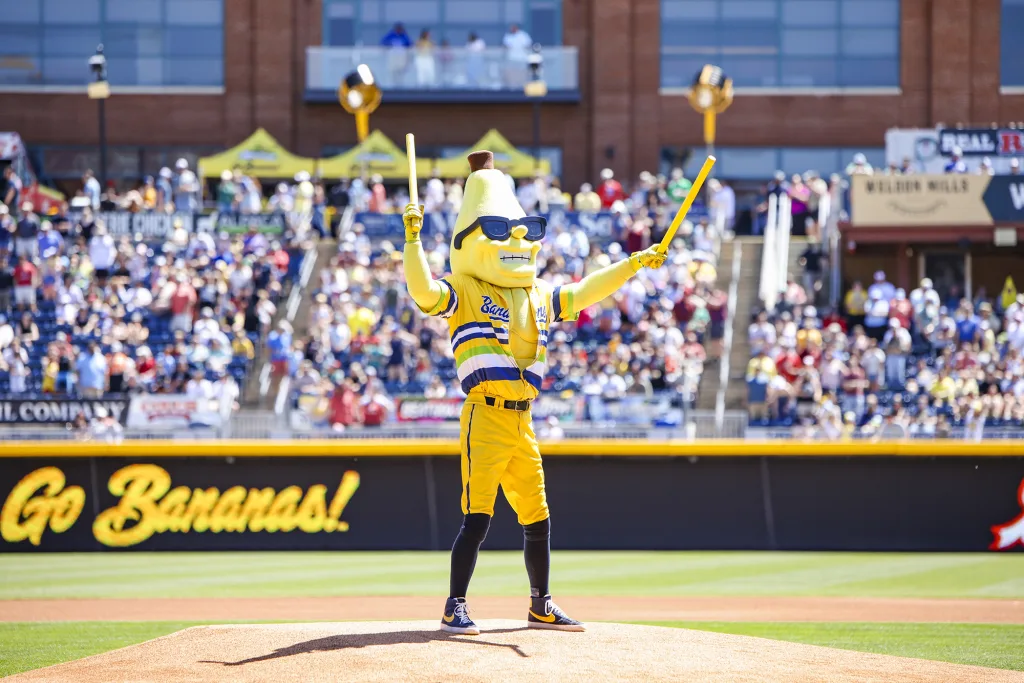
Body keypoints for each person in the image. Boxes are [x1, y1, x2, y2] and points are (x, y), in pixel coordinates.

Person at [402, 149, 666, 635]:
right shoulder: (464, 285)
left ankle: (540, 604)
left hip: (523, 418)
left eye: (526, 229)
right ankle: (453, 604)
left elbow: (585, 291)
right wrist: (413, 240)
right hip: (484, 414)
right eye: (500, 231)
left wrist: (633, 264)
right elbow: (423, 292)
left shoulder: (538, 293)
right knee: (476, 518)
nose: (518, 241)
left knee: (538, 517)